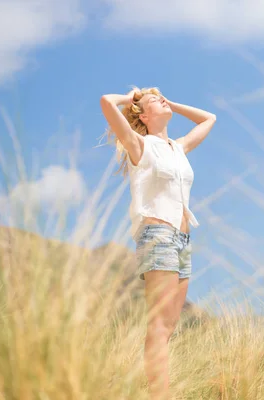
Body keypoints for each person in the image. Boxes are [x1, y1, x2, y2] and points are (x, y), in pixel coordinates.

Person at [100, 87, 216, 398]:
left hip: (182, 239)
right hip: (158, 235)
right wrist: (133, 97)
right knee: (159, 326)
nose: (162, 100)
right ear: (144, 115)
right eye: (155, 101)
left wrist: (169, 103)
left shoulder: (177, 148)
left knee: (169, 328)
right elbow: (106, 103)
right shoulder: (140, 145)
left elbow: (209, 119)